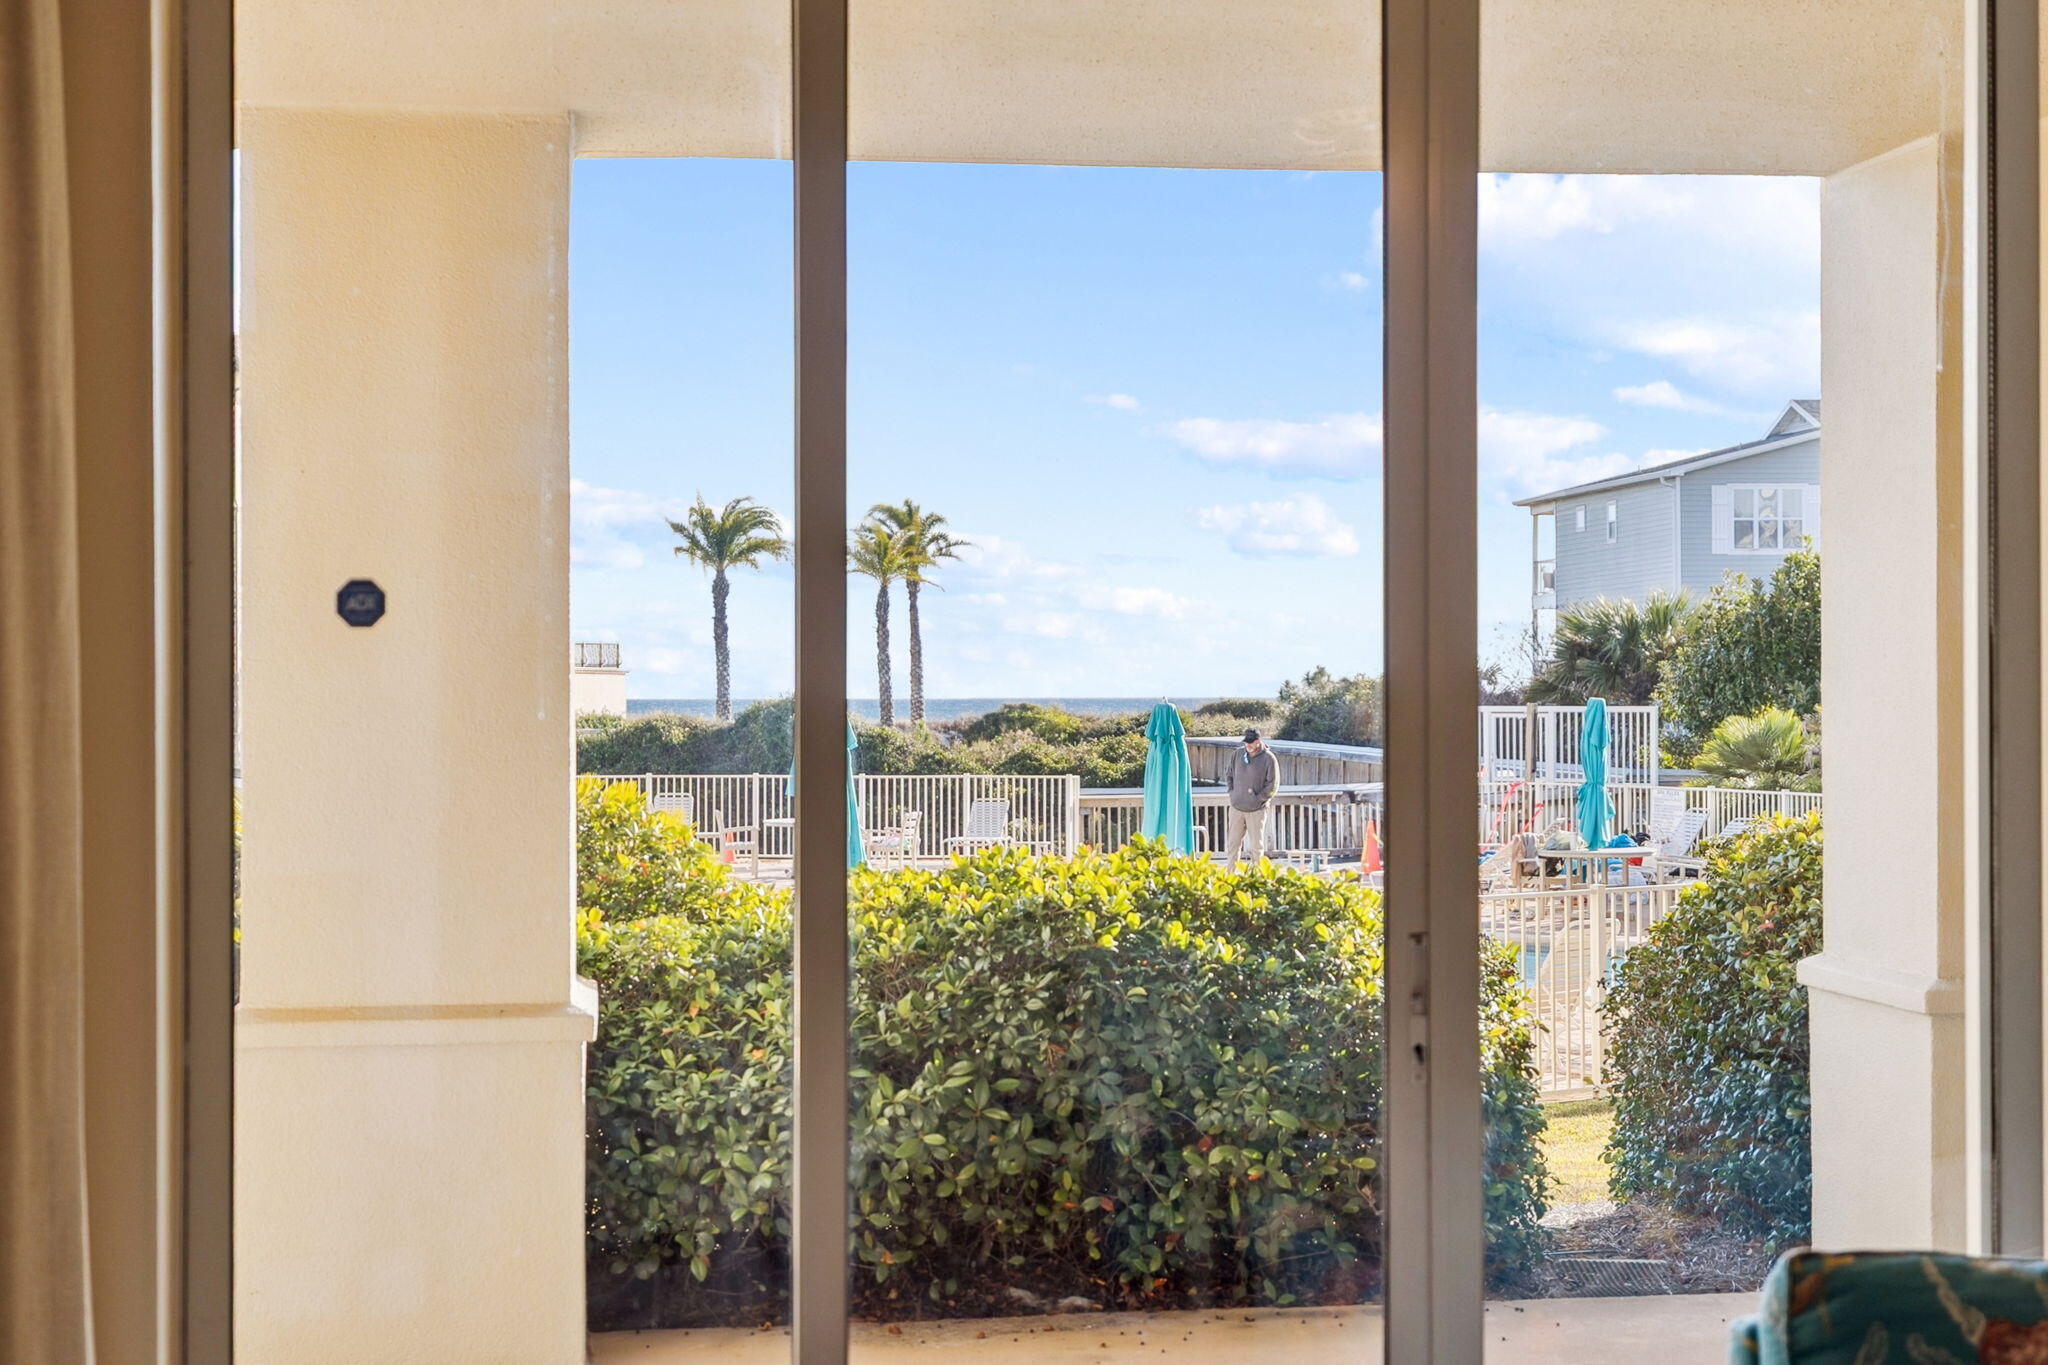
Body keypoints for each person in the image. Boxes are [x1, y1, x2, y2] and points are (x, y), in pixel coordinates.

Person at [1222, 727, 1278, 869]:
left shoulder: (1269, 758)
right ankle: (1230, 877)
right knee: (1233, 845)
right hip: (1237, 807)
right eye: (1246, 742)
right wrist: (1232, 794)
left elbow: (1273, 784)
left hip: (1257, 809)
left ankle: (1257, 878)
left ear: (1258, 741)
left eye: (1251, 742)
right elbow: (1229, 775)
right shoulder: (1237, 754)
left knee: (1256, 847)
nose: (1248, 745)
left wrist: (1259, 798)